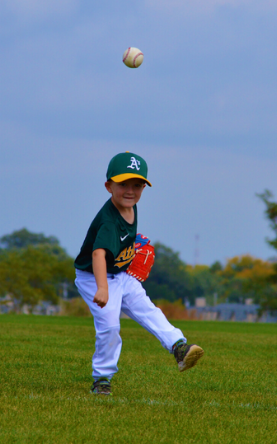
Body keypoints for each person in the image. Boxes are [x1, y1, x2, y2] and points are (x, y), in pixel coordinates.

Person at [74, 152, 203, 396]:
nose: (130, 190)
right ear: (108, 186)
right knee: (110, 325)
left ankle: (179, 347)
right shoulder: (108, 221)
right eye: (123, 184)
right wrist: (102, 288)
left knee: (147, 309)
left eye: (137, 184)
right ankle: (102, 378)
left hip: (119, 274)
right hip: (94, 277)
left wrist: (129, 252)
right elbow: (98, 255)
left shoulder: (130, 207)